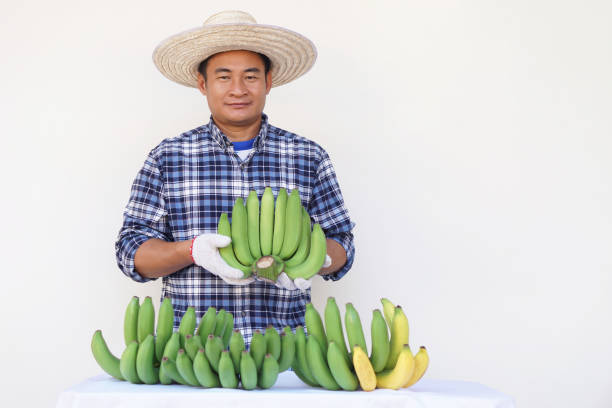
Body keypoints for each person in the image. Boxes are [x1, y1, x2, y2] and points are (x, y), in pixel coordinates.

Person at [115, 10, 355, 344]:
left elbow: (342, 244)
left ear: (268, 82)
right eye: (224, 77)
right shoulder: (167, 157)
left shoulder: (308, 156)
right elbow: (131, 252)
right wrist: (192, 251)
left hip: (286, 355)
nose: (238, 89)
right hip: (190, 357)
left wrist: (313, 258)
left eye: (251, 77)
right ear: (203, 84)